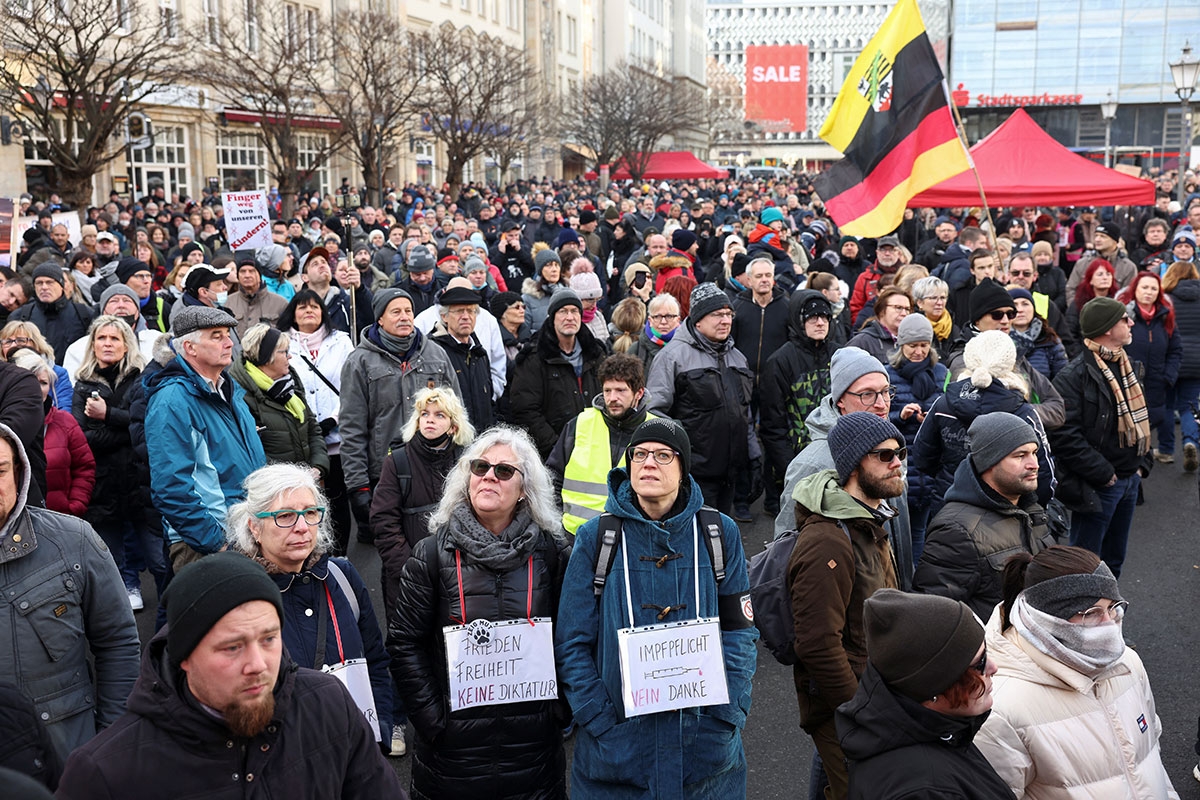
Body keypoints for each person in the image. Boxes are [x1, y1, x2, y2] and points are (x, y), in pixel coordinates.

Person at [55, 552, 408, 799]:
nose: (258, 664)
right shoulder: (104, 774)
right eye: (232, 647)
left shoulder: (328, 704)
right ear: (185, 657)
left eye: (269, 639)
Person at [555, 418, 757, 798]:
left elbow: (740, 632)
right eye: (640, 454)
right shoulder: (595, 538)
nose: (649, 463)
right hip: (616, 754)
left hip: (705, 752)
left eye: (664, 455)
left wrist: (727, 716)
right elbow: (571, 642)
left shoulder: (719, 533)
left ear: (683, 470)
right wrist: (599, 721)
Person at [391, 426, 570, 799]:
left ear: (524, 490)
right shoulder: (430, 554)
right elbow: (405, 643)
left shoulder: (551, 553)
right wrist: (432, 721)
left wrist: (559, 710)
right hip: (453, 755)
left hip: (532, 752)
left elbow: (573, 636)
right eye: (480, 467)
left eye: (504, 471)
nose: (489, 475)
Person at [975, 546, 1178, 799]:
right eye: (1092, 613)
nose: (1110, 623)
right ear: (1047, 618)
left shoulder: (1128, 663)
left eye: (1113, 607)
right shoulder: (1002, 708)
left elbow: (1150, 757)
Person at [225, 464, 393, 748]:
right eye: (285, 516)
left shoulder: (342, 576)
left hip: (353, 751)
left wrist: (380, 735)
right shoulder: (231, 596)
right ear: (254, 527)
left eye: (311, 513)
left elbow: (375, 662)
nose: (302, 527)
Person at [0, 423, 139, 763]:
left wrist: (110, 743)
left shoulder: (73, 542)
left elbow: (118, 642)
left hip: (64, 758)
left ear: (19, 472)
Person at [786, 412, 904, 800]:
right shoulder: (829, 540)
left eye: (900, 452)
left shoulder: (869, 521)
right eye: (885, 456)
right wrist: (859, 710)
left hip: (876, 696)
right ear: (855, 464)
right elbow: (818, 644)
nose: (898, 462)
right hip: (851, 707)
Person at [835, 590, 1011, 800]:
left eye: (986, 652)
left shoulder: (938, 731)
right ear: (934, 688)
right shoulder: (924, 791)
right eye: (979, 663)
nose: (993, 667)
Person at [773, 347, 915, 589]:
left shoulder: (890, 446)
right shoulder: (812, 464)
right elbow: (786, 553)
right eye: (867, 394)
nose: (881, 404)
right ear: (840, 400)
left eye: (885, 392)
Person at [145, 306, 266, 570]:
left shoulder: (228, 390)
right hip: (208, 545)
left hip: (246, 533)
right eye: (216, 335)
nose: (229, 342)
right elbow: (171, 487)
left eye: (227, 334)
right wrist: (217, 543)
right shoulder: (173, 400)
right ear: (190, 347)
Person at [339, 287, 460, 541]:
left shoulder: (436, 354)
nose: (404, 317)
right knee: (393, 546)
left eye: (408, 310)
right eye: (396, 312)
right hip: (384, 472)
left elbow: (457, 413)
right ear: (380, 319)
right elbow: (352, 428)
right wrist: (357, 485)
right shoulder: (359, 362)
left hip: (434, 468)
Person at [914, 411, 1055, 618]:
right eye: (1020, 455)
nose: (1034, 464)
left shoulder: (1031, 510)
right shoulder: (957, 531)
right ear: (989, 462)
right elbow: (932, 616)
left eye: (1034, 453)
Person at [1050, 297, 1149, 579]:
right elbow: (1064, 434)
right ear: (1107, 329)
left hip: (1129, 479)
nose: (1131, 323)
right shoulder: (1073, 376)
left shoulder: (1131, 366)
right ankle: (1080, 621)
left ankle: (1109, 620)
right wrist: (1104, 474)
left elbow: (1142, 415)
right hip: (1100, 484)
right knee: (1084, 566)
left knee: (1114, 563)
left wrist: (1143, 464)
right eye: (1123, 319)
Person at [72, 315, 165, 609]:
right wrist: (125, 429)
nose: (107, 343)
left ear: (126, 345)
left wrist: (107, 416)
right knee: (109, 564)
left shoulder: (140, 380)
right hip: (104, 486)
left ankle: (172, 609)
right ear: (93, 344)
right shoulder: (83, 385)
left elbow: (147, 425)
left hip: (139, 482)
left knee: (160, 561)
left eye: (114, 338)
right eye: (102, 338)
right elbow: (85, 437)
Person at [647, 282, 760, 515]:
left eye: (729, 314)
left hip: (730, 473)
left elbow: (743, 414)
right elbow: (654, 413)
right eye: (718, 315)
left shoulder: (737, 358)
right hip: (692, 475)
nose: (726, 320)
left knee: (720, 537)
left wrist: (754, 456)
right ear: (698, 320)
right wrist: (682, 454)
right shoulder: (672, 357)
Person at [913, 330, 1054, 516]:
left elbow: (922, 455)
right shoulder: (1023, 412)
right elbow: (1043, 472)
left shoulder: (943, 403)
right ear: (1011, 364)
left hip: (950, 505)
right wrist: (1036, 507)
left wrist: (949, 478)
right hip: (1007, 510)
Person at [280, 288, 356, 552]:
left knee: (337, 501)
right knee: (305, 503)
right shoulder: (282, 343)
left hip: (337, 438)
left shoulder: (342, 342)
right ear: (293, 313)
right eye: (302, 307)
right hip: (301, 439)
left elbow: (351, 386)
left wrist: (334, 419)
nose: (309, 311)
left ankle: (340, 556)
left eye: (314, 306)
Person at [547, 353, 656, 534]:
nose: (612, 398)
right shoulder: (581, 423)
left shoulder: (654, 430)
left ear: (639, 393)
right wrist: (559, 527)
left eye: (621, 390)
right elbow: (552, 478)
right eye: (607, 390)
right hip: (575, 535)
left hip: (632, 537)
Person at [945, 280, 1065, 430]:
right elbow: (977, 411)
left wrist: (1026, 412)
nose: (1006, 321)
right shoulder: (963, 359)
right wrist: (1022, 412)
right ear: (977, 319)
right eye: (997, 315)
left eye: (1010, 314)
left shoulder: (1016, 354)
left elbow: (1057, 407)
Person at [760, 290, 835, 515]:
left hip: (835, 463)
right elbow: (773, 426)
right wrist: (791, 470)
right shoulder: (779, 362)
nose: (820, 322)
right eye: (812, 317)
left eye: (825, 317)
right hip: (796, 464)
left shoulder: (839, 354)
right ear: (798, 321)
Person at [507, 288, 606, 458]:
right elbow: (526, 410)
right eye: (563, 311)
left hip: (596, 449)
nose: (569, 317)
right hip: (553, 456)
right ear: (552, 317)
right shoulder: (534, 357)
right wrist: (558, 448)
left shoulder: (596, 353)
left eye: (574, 311)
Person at [230, 323, 330, 477]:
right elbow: (247, 449)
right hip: (272, 487)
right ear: (266, 357)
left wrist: (318, 467)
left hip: (305, 483)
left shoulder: (290, 382)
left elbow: (312, 429)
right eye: (284, 352)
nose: (290, 356)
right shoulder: (239, 393)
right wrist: (289, 479)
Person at [886, 314, 947, 562]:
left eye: (924, 345)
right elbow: (878, 418)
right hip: (901, 464)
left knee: (923, 532)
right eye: (913, 346)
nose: (919, 351)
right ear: (902, 346)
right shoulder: (888, 375)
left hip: (931, 466)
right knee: (898, 534)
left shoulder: (942, 373)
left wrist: (933, 419)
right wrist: (900, 416)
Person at [11, 350, 93, 517]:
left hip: (59, 521)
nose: (37, 388)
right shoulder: (5, 424)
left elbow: (84, 468)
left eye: (43, 382)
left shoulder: (65, 422)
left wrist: (74, 507)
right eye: (31, 380)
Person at [1116, 272, 1183, 468]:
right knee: (1129, 433)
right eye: (1144, 287)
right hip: (1127, 384)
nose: (1149, 292)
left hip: (1157, 383)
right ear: (1135, 289)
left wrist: (1168, 376)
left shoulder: (1166, 317)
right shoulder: (1124, 315)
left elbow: (1175, 350)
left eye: (1154, 288)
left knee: (1155, 420)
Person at [430, 284, 494, 430]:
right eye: (459, 311)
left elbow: (489, 403)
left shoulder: (480, 353)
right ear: (444, 316)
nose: (466, 317)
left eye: (471, 311)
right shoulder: (433, 353)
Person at [9, 263, 96, 363]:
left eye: (49, 282)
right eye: (39, 283)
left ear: (61, 285)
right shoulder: (20, 316)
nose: (44, 287)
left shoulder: (84, 314)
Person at [1161, 261, 1200, 468]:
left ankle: (1166, 450)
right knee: (1190, 405)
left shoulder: (1167, 299)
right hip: (1196, 360)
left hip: (1171, 358)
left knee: (1167, 405)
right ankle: (1191, 441)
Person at [1008, 287, 1069, 381]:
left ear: (1034, 309)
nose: (1020, 310)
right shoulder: (999, 340)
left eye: (1025, 304)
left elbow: (1062, 380)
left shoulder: (1049, 340)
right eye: (1014, 304)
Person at [225, 253, 289, 337]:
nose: (247, 275)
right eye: (242, 271)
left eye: (252, 271)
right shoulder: (228, 303)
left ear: (260, 275)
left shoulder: (280, 303)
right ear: (237, 276)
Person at [1064, 258, 1117, 356]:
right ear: (1090, 280)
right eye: (1100, 274)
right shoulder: (1078, 303)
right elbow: (1070, 333)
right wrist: (1081, 356)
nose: (1105, 278)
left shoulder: (1117, 303)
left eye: (1108, 274)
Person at [846, 287, 910, 364]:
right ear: (881, 310)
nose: (904, 313)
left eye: (907, 309)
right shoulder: (862, 341)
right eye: (898, 308)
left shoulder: (911, 341)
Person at [625, 292, 681, 375]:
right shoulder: (636, 350)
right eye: (657, 317)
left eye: (669, 316)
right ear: (650, 320)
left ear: (678, 320)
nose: (663, 322)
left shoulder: (687, 349)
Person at [911, 275, 958, 361]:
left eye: (943, 298)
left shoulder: (954, 328)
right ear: (920, 303)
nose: (939, 302)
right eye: (933, 298)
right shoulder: (913, 328)